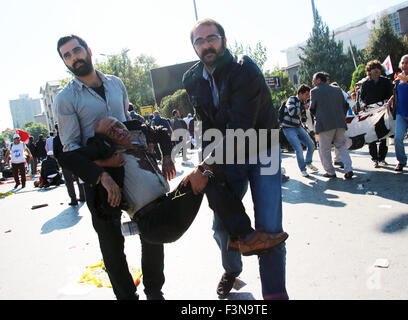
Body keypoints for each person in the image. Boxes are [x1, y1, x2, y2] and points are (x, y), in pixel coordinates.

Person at [54, 34, 166, 300]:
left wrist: (150, 151)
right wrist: (102, 172)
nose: (74, 58)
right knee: (112, 245)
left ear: (88, 50)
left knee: (153, 228)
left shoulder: (116, 84)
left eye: (76, 51)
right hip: (98, 179)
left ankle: (154, 291)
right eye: (67, 56)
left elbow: (127, 123)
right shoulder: (65, 98)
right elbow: (70, 149)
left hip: (133, 167)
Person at [183, 18, 288, 300]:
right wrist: (205, 164)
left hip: (262, 148)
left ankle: (275, 294)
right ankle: (232, 270)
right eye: (199, 41)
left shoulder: (244, 69)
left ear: (224, 41)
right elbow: (205, 123)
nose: (206, 45)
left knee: (269, 228)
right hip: (228, 153)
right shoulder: (191, 79)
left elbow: (241, 127)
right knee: (221, 224)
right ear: (193, 47)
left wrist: (206, 166)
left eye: (212, 38)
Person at [89, 116, 287, 254]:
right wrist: (101, 167)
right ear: (105, 142)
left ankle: (238, 236)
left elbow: (161, 132)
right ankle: (245, 237)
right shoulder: (112, 160)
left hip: (168, 204)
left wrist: (166, 155)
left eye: (117, 124)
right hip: (154, 221)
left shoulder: (138, 141)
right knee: (205, 173)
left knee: (205, 172)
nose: (118, 130)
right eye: (110, 132)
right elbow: (75, 158)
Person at [309, 72, 353, 179]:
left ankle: (330, 171)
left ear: (319, 80)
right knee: (341, 146)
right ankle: (349, 168)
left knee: (324, 149)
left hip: (324, 124)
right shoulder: (337, 89)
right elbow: (345, 105)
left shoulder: (314, 91)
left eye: (314, 80)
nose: (313, 82)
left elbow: (312, 108)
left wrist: (319, 116)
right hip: (340, 122)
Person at [359, 60, 393, 167]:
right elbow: (361, 98)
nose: (376, 70)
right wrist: (363, 104)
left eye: (378, 68)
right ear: (369, 71)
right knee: (371, 136)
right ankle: (374, 158)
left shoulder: (386, 81)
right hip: (370, 112)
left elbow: (391, 95)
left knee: (383, 134)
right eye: (374, 68)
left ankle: (382, 157)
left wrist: (387, 100)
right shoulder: (365, 84)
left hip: (383, 111)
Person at [280, 84, 318, 177]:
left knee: (311, 145)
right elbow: (292, 112)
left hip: (298, 126)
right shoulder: (292, 99)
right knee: (299, 149)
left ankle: (308, 162)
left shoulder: (302, 103)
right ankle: (303, 169)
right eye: (306, 94)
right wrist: (302, 108)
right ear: (300, 93)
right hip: (288, 128)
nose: (307, 97)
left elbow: (303, 119)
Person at [53, 123, 86, 206]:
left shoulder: (56, 139)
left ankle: (73, 199)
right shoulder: (70, 135)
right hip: (74, 160)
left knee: (69, 181)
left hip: (65, 162)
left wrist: (60, 161)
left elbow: (55, 153)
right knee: (78, 179)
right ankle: (82, 196)